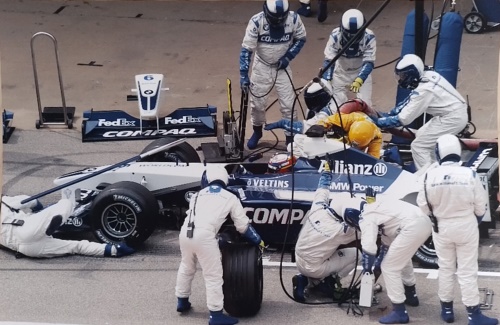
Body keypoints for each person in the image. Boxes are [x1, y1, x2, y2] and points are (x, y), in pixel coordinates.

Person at [416, 134, 498, 325]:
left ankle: (446, 309)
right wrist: (472, 220)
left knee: (445, 268)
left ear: (439, 152)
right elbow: (481, 205)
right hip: (466, 225)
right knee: (467, 270)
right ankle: (473, 314)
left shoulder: (429, 175)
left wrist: (436, 216)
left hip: (441, 227)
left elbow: (422, 204)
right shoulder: (469, 174)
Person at [174, 165, 265, 325]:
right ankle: (216, 315)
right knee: (213, 276)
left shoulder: (197, 195)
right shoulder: (230, 197)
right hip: (205, 236)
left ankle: (182, 301)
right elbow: (242, 226)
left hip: (185, 234)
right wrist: (258, 240)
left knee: (186, 266)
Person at [331, 192, 432, 324]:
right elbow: (385, 249)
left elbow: (369, 248)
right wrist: (373, 274)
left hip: (412, 225)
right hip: (422, 222)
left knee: (389, 267)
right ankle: (411, 295)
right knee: (400, 257)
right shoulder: (378, 209)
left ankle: (400, 312)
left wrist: (367, 271)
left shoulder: (367, 216)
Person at [374, 54, 468, 171]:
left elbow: (404, 119)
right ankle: (436, 169)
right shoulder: (428, 75)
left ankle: (427, 177)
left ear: (412, 74)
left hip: (452, 118)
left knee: (419, 146)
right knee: (422, 136)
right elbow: (407, 102)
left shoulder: (425, 90)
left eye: (403, 75)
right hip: (452, 114)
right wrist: (388, 114)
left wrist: (378, 122)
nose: (401, 79)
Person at [239, 0, 307, 149]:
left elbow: (301, 39)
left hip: (282, 68)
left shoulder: (294, 19)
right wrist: (243, 74)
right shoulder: (256, 22)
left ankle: (290, 138)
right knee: (257, 105)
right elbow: (247, 49)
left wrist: (288, 57)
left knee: (289, 105)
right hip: (261, 67)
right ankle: (257, 132)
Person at [292, 161, 359, 302]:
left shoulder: (318, 207)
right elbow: (366, 229)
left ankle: (303, 280)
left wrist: (327, 172)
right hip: (315, 267)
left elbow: (322, 188)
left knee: (327, 251)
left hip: (298, 259)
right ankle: (327, 284)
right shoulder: (340, 231)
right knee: (357, 254)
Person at [0, 193, 135, 258]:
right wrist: (40, 212)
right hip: (27, 231)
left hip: (26, 250)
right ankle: (60, 216)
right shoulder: (5, 201)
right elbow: (35, 202)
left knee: (75, 247)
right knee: (66, 202)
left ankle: (114, 250)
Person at [321, 9, 376, 107]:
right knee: (335, 106)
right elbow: (329, 60)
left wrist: (360, 79)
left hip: (360, 73)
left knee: (365, 105)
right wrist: (328, 79)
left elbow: (369, 62)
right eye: (349, 34)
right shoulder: (335, 36)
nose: (352, 37)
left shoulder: (369, 37)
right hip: (340, 74)